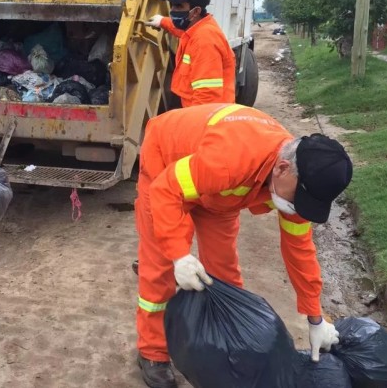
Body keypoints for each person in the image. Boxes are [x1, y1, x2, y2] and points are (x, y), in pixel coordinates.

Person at [134, 103, 352, 388]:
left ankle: (225, 344)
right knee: (160, 268)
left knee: (223, 272)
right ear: (283, 168)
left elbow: (300, 250)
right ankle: (152, 353)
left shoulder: (296, 180)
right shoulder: (231, 157)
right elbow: (167, 191)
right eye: (300, 198)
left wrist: (315, 318)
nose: (299, 208)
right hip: (166, 163)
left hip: (217, 193)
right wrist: (178, 256)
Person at [145, 0, 236, 107]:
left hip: (207, 119)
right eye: (172, 5)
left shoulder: (205, 40)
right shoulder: (195, 28)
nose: (173, 11)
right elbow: (181, 31)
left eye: (179, 6)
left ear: (196, 11)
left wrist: (193, 125)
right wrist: (162, 22)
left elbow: (207, 97)